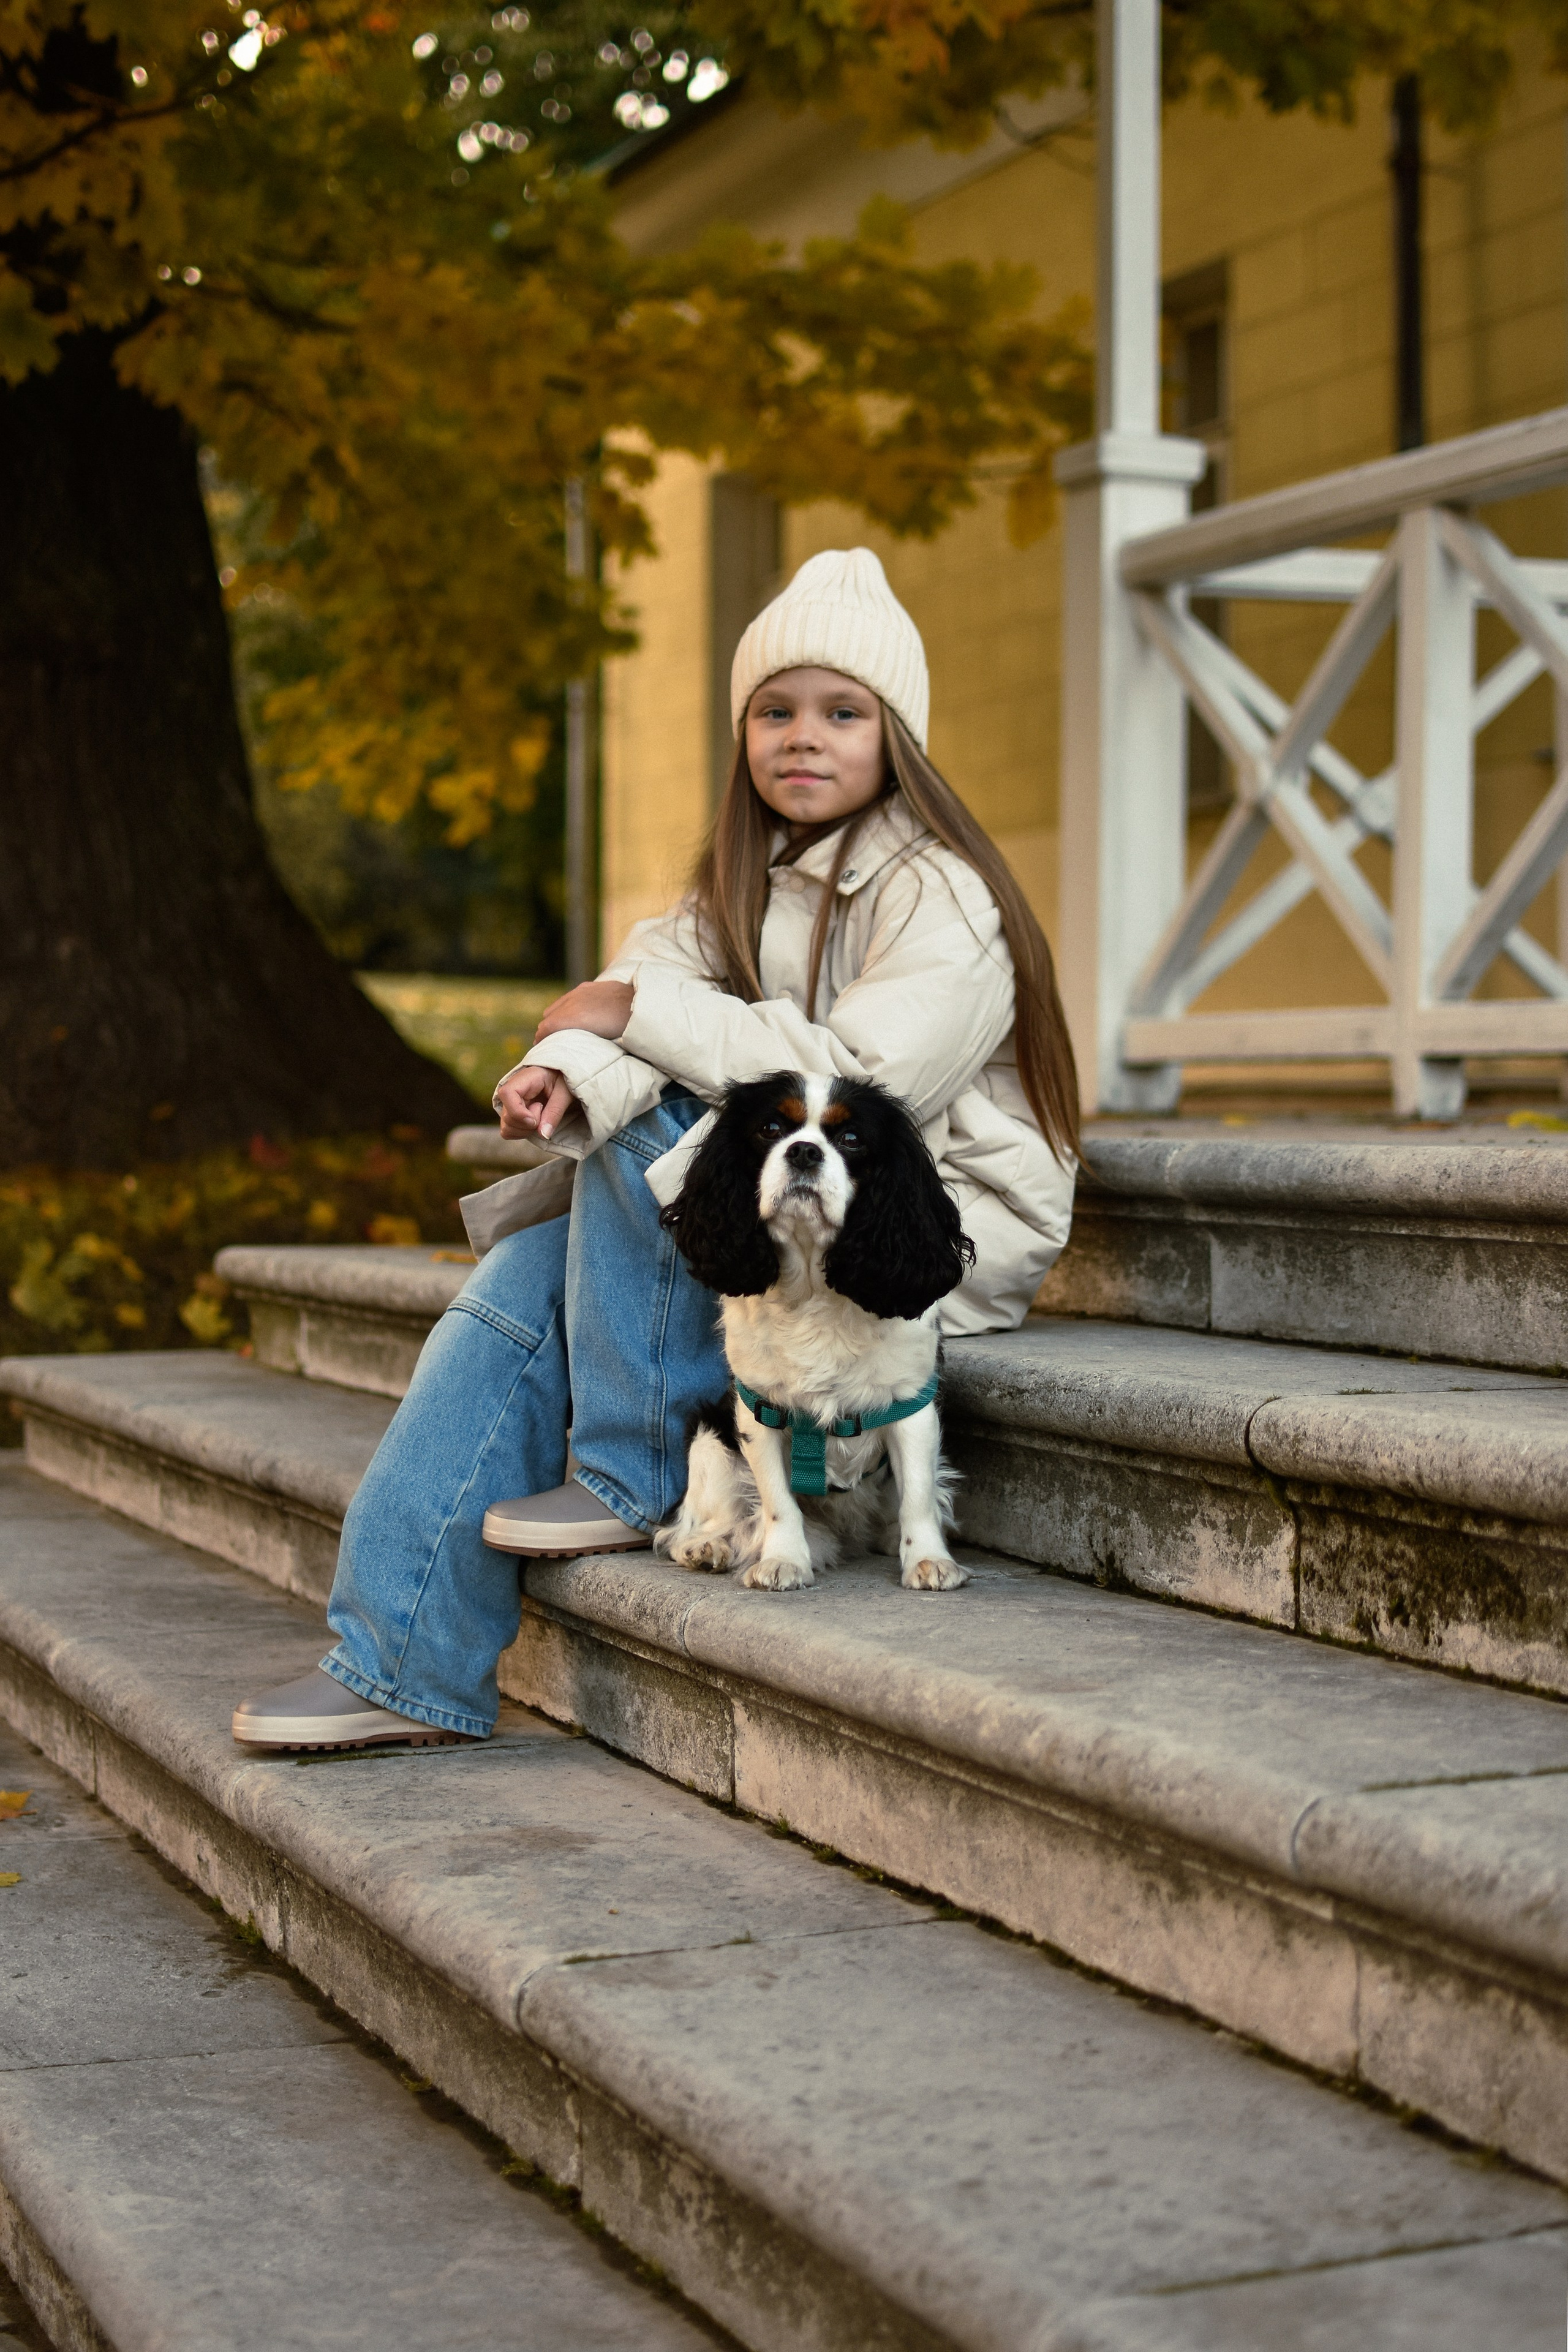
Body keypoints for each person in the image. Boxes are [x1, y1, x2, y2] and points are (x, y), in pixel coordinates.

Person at [233, 549, 1079, 1751]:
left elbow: (855, 1090)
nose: (803, 736)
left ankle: (627, 1467)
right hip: (779, 1226)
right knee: (515, 1289)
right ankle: (394, 1660)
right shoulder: (733, 891)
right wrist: (569, 1063)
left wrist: (627, 1025)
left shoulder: (948, 899)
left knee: (659, 1130)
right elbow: (633, 992)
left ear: (897, 738)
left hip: (920, 1230)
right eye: (774, 712)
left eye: (842, 712)